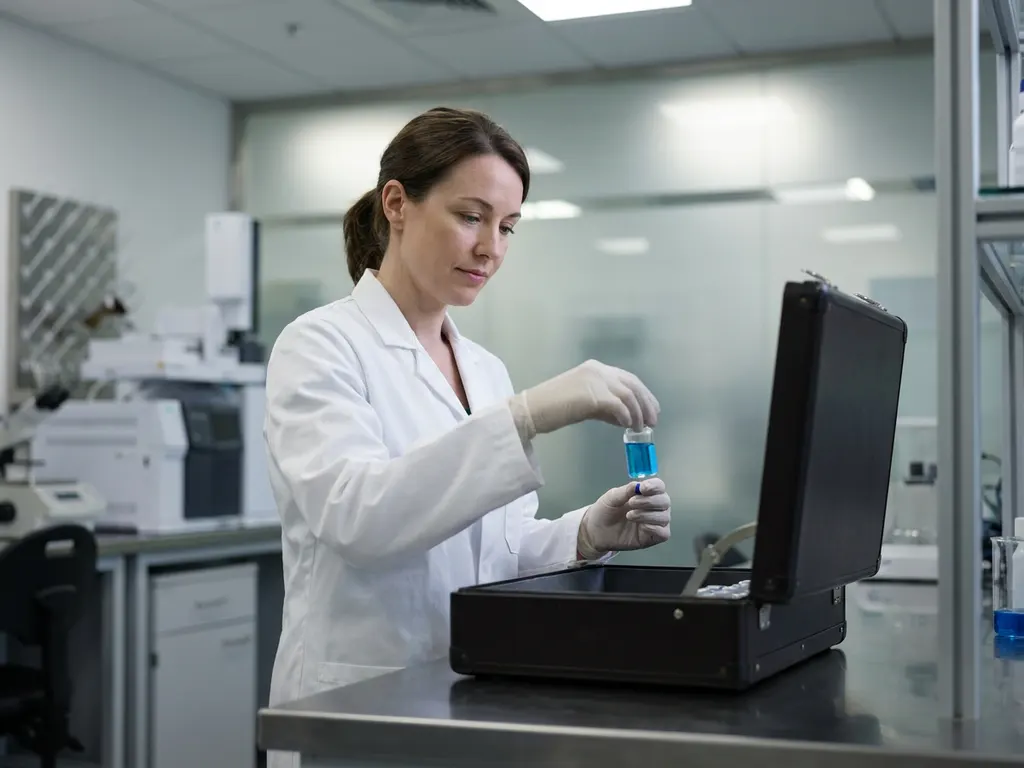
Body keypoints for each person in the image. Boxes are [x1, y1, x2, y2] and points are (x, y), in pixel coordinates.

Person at [263, 106, 671, 767]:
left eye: (507, 226)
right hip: (358, 711)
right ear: (397, 203)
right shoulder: (319, 345)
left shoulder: (483, 369)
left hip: (469, 702)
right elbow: (357, 516)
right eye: (471, 216)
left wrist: (586, 534)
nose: (492, 248)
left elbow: (494, 555)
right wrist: (528, 415)